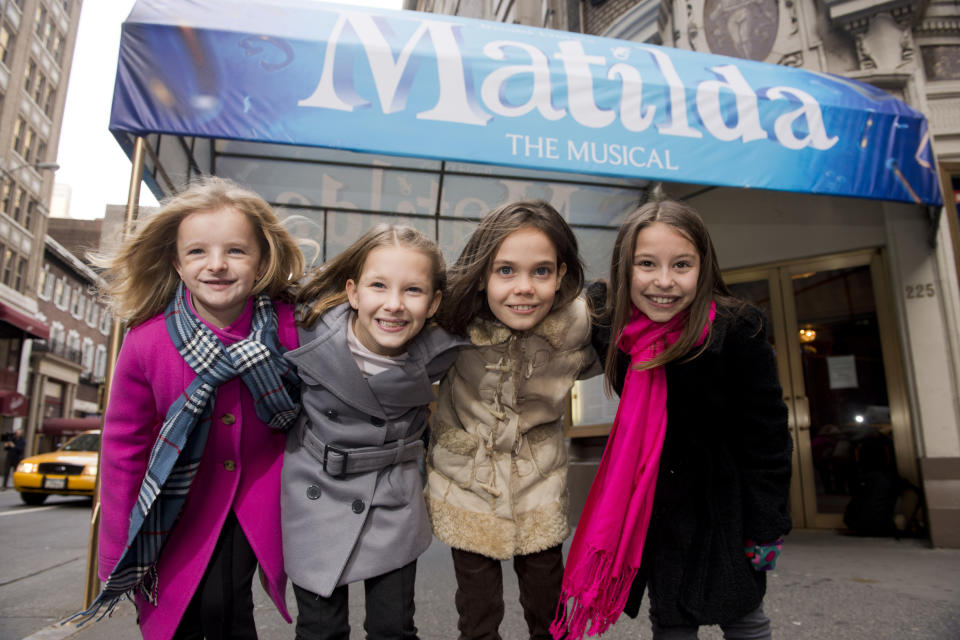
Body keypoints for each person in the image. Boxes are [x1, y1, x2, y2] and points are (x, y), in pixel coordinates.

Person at [551, 199, 792, 640]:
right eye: (647, 263)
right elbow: (543, 312)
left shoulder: (739, 329)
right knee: (671, 619)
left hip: (723, 506)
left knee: (744, 616)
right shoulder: (608, 319)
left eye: (681, 264)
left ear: (703, 266)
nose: (664, 281)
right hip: (653, 504)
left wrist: (767, 525)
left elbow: (767, 438)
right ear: (626, 267)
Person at [80, 177, 305, 640]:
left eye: (236, 251)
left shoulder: (292, 326)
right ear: (177, 264)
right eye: (198, 252)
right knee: (173, 613)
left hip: (256, 498)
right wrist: (116, 546)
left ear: (262, 259)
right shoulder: (146, 342)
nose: (217, 265)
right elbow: (124, 448)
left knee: (223, 604)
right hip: (173, 501)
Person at [426, 200, 600, 640]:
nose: (523, 287)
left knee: (549, 605)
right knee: (478, 612)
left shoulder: (580, 326)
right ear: (482, 274)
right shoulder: (452, 323)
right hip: (466, 481)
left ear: (561, 275)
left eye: (540, 271)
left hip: (538, 479)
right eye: (505, 270)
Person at [282, 224, 464, 640]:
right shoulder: (305, 333)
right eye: (379, 285)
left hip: (391, 496)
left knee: (392, 628)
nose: (394, 305)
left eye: (413, 291)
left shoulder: (443, 351)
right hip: (315, 491)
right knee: (320, 630)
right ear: (353, 292)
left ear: (434, 302)